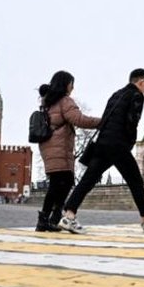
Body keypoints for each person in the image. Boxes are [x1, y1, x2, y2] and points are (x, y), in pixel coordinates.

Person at [59, 68, 144, 234]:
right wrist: (130, 142)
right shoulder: (137, 95)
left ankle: (69, 215)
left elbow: (106, 119)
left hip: (103, 143)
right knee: (135, 181)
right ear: (141, 82)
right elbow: (132, 121)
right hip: (119, 144)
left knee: (88, 179)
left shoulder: (116, 94)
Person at [36, 71, 101, 232]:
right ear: (66, 84)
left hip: (48, 146)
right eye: (72, 83)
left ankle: (50, 219)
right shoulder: (65, 101)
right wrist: (102, 122)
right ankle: (49, 219)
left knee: (59, 183)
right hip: (59, 147)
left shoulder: (48, 101)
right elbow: (79, 119)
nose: (73, 87)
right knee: (61, 183)